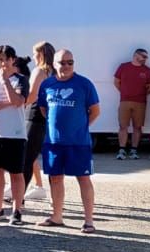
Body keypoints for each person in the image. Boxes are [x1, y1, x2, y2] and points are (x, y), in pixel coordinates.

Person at [36, 49, 102, 232]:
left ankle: (89, 221)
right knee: (55, 179)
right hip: (53, 143)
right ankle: (57, 216)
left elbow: (95, 111)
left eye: (70, 62)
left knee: (83, 179)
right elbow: (43, 110)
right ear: (54, 64)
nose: (66, 66)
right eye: (62, 62)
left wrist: (80, 126)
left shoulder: (84, 84)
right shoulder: (47, 84)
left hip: (78, 143)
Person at [0, 45, 30, 223]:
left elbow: (18, 102)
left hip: (15, 133)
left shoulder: (21, 79)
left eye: (5, 59)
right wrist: (5, 104)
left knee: (16, 173)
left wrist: (5, 82)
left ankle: (17, 210)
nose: (1, 63)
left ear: (12, 60)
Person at [19, 43, 56, 202]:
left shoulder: (40, 71)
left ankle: (18, 197)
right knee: (49, 161)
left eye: (35, 54)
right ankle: (55, 201)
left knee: (26, 159)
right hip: (49, 117)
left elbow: (32, 95)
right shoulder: (55, 72)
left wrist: (17, 104)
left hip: (34, 117)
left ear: (40, 54)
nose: (33, 57)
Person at [113, 48, 150, 159]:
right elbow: (116, 81)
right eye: (144, 57)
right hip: (124, 101)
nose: (145, 59)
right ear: (136, 55)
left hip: (140, 102)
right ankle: (121, 150)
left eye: (146, 57)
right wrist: (124, 92)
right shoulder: (124, 67)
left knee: (137, 127)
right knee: (123, 126)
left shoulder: (147, 70)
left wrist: (142, 94)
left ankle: (134, 150)